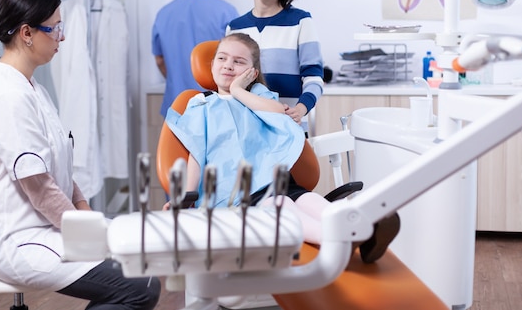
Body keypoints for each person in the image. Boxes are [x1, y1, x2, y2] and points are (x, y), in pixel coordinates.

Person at [0, 0, 160, 309]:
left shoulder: (32, 89)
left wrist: (88, 215)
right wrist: (87, 235)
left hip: (42, 228)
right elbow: (40, 188)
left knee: (143, 267)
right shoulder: (8, 96)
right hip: (15, 240)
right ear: (27, 33)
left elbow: (55, 167)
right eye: (55, 28)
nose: (63, 37)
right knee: (138, 287)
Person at [165, 33, 399, 263]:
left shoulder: (255, 95)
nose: (228, 65)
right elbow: (196, 150)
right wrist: (186, 197)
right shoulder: (200, 104)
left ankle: (360, 226)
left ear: (252, 73)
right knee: (281, 205)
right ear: (212, 64)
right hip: (237, 190)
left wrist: (237, 90)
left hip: (276, 176)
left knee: (309, 200)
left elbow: (277, 112)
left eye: (239, 62)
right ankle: (341, 238)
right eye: (222, 58)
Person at [226, 0, 324, 133]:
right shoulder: (234, 28)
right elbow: (229, 81)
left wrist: (300, 109)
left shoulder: (301, 22)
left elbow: (314, 78)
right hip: (247, 130)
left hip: (289, 128)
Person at [152, 0, 239, 117]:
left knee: (173, 144)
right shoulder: (226, 12)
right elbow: (238, 61)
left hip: (177, 106)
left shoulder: (163, 14)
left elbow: (159, 60)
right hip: (215, 106)